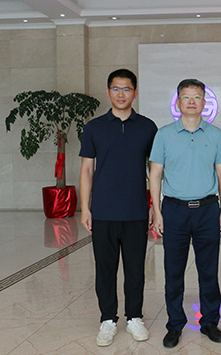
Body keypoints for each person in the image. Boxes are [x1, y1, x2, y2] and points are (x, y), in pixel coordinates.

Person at [148, 78, 221, 349]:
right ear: (178, 102)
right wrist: (157, 210)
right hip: (174, 210)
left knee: (209, 271)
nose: (192, 101)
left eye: (197, 97)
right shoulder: (164, 134)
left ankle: (210, 322)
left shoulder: (215, 134)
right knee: (173, 272)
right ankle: (175, 324)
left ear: (204, 102)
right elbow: (155, 174)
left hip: (207, 210)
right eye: (186, 96)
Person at [79, 68, 158, 347]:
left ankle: (134, 317)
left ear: (135, 93)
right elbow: (86, 170)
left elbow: (155, 170)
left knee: (136, 269)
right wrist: (85, 208)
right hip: (103, 211)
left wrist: (154, 205)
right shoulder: (94, 127)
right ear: (108, 92)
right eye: (115, 88)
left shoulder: (147, 127)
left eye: (126, 89)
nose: (121, 94)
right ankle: (108, 319)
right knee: (105, 268)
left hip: (136, 210)